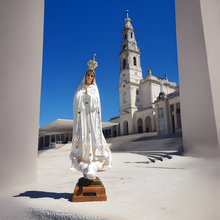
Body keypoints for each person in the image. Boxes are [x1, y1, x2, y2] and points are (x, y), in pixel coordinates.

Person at [69, 55, 112, 180]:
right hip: (83, 117)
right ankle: (82, 162)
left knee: (93, 136)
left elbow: (97, 104)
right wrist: (83, 97)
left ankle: (94, 162)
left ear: (94, 78)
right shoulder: (80, 88)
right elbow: (76, 100)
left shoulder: (94, 89)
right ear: (85, 76)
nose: (90, 77)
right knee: (83, 137)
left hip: (92, 117)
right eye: (88, 75)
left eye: (92, 75)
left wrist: (90, 97)